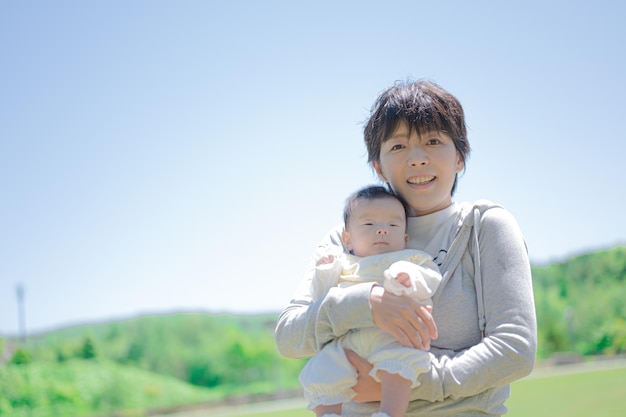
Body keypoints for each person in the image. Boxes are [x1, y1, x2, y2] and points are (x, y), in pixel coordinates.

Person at [275, 79, 537, 417]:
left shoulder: (483, 227)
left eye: (433, 141)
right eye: (398, 146)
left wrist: (404, 381)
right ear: (378, 166)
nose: (417, 159)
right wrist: (366, 302)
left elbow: (515, 349)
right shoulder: (348, 236)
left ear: (459, 157)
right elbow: (289, 337)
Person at [300, 185, 442, 417]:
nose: (382, 231)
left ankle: (389, 413)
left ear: (405, 238)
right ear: (347, 239)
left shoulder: (410, 258)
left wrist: (408, 277)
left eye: (393, 225)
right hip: (349, 340)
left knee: (401, 362)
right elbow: (322, 301)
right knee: (322, 369)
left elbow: (430, 277)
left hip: (395, 336)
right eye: (369, 225)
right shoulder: (343, 263)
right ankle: (328, 413)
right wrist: (325, 271)